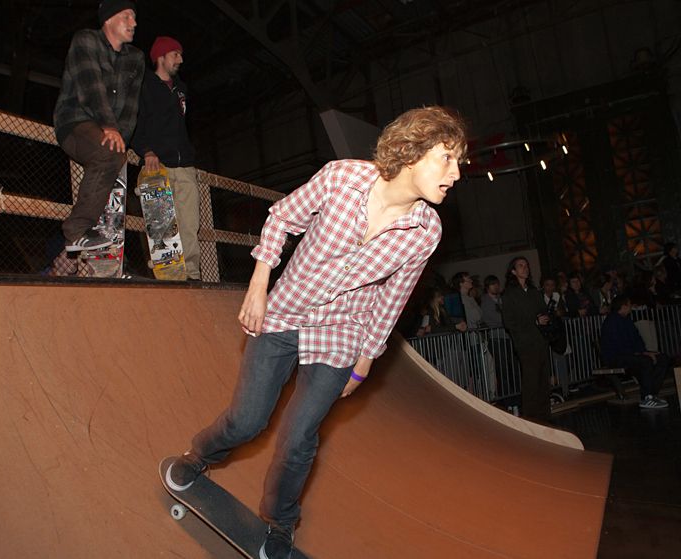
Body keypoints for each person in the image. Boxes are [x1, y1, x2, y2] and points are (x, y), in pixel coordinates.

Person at [164, 106, 467, 559]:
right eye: (447, 158)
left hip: (343, 334)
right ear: (412, 151)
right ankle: (200, 455)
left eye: (458, 162)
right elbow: (283, 218)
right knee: (247, 421)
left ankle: (280, 521)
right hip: (284, 313)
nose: (456, 173)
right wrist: (259, 285)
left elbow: (395, 297)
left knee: (299, 437)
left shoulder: (425, 231)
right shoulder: (341, 178)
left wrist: (365, 363)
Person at [53, 0, 145, 252]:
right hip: (74, 122)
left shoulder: (136, 58)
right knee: (108, 151)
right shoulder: (85, 41)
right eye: (126, 16)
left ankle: (101, 237)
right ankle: (76, 231)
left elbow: (131, 107)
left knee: (113, 154)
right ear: (108, 19)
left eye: (134, 17)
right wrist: (109, 127)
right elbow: (90, 88)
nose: (134, 23)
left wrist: (121, 140)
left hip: (108, 132)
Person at [131, 36, 201, 281]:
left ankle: (191, 275)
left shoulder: (181, 89)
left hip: (185, 166)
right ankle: (167, 276)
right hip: (157, 165)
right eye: (175, 54)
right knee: (162, 226)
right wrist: (146, 151)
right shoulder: (144, 87)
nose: (180, 59)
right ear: (160, 57)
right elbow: (135, 123)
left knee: (189, 223)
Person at [502, 256, 552, 422]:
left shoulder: (533, 292)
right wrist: (533, 322)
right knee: (531, 381)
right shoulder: (510, 294)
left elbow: (543, 311)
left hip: (540, 341)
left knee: (543, 381)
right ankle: (531, 418)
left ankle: (545, 416)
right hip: (525, 343)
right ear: (513, 271)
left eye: (526, 265)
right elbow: (509, 322)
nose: (525, 268)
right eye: (521, 265)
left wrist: (545, 318)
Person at [599, 296, 670, 409]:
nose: (631, 307)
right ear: (623, 306)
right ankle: (646, 397)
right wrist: (641, 353)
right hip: (616, 357)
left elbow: (637, 339)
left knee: (663, 358)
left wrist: (644, 351)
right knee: (645, 361)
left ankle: (652, 393)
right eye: (629, 305)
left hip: (630, 353)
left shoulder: (627, 320)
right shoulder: (611, 322)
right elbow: (618, 345)